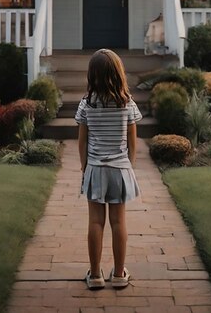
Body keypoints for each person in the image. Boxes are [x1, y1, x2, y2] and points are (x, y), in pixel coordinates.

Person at [75, 48, 142, 290]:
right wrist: (129, 167)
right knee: (118, 222)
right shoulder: (127, 104)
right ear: (118, 73)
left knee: (95, 222)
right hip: (119, 169)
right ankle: (120, 273)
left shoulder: (87, 105)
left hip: (95, 168)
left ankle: (94, 275)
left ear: (92, 75)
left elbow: (82, 141)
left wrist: (85, 168)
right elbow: (132, 141)